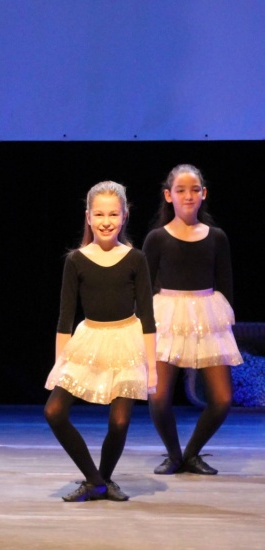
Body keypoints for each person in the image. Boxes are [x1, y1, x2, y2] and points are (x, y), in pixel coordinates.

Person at [44, 181, 157, 502]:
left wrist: (152, 368)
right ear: (88, 217)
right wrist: (60, 364)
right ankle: (95, 481)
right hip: (88, 341)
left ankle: (102, 480)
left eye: (113, 214)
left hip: (126, 341)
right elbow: (65, 318)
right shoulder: (76, 260)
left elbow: (148, 317)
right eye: (99, 214)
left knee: (119, 421)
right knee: (54, 411)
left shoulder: (135, 258)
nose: (106, 221)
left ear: (124, 216)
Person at [143, 164, 242, 476]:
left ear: (204, 194)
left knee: (222, 399)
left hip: (206, 316)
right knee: (159, 397)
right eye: (181, 190)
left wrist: (223, 323)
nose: (188, 196)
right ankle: (174, 455)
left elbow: (225, 285)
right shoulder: (157, 238)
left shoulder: (217, 237)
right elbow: (144, 288)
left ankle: (192, 454)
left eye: (195, 189)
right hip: (166, 316)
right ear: (168, 195)